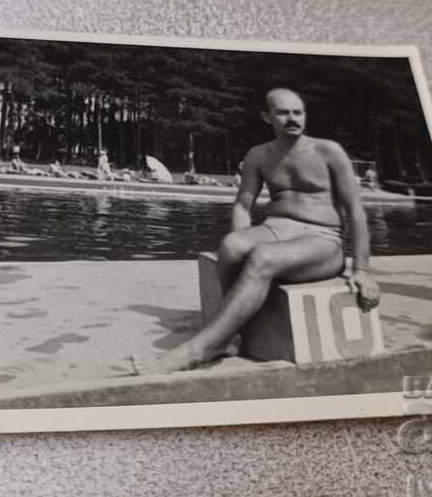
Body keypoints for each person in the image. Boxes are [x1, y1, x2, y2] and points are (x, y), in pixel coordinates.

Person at [135, 88, 380, 374]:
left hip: (323, 239)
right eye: (283, 112)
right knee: (231, 246)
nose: (292, 119)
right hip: (276, 228)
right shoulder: (259, 155)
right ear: (267, 116)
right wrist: (241, 243)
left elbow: (356, 212)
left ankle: (199, 349)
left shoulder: (328, 151)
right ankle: (229, 337)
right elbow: (242, 206)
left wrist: (362, 268)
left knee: (263, 258)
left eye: (298, 112)